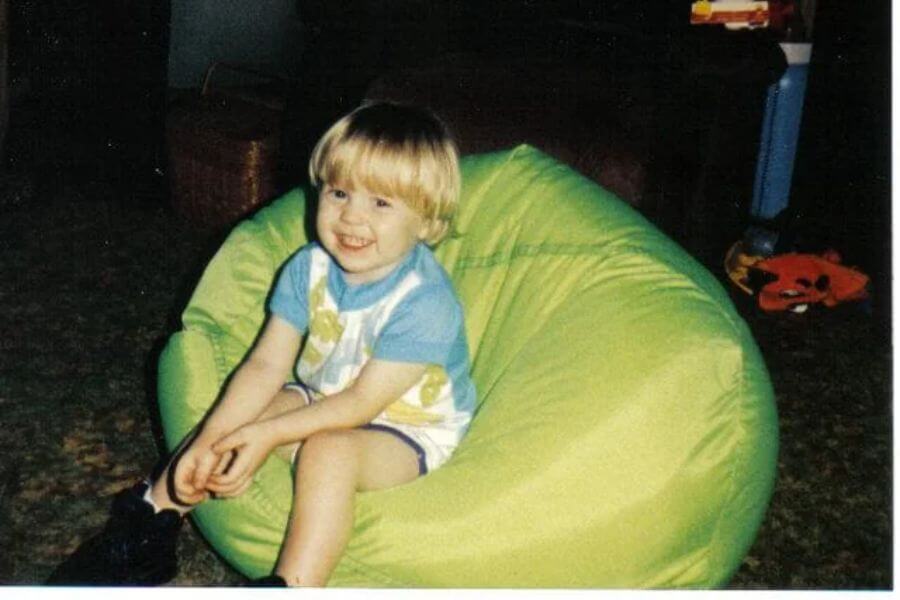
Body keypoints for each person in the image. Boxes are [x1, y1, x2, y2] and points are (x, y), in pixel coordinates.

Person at [47, 102, 476, 587]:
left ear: (426, 222)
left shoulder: (424, 301)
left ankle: (293, 584)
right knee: (241, 416)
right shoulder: (307, 267)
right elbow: (265, 365)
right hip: (324, 395)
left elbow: (360, 404)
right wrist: (213, 440)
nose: (351, 218)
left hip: (407, 428)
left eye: (380, 203)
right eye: (339, 192)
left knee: (327, 452)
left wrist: (269, 437)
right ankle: (150, 522)